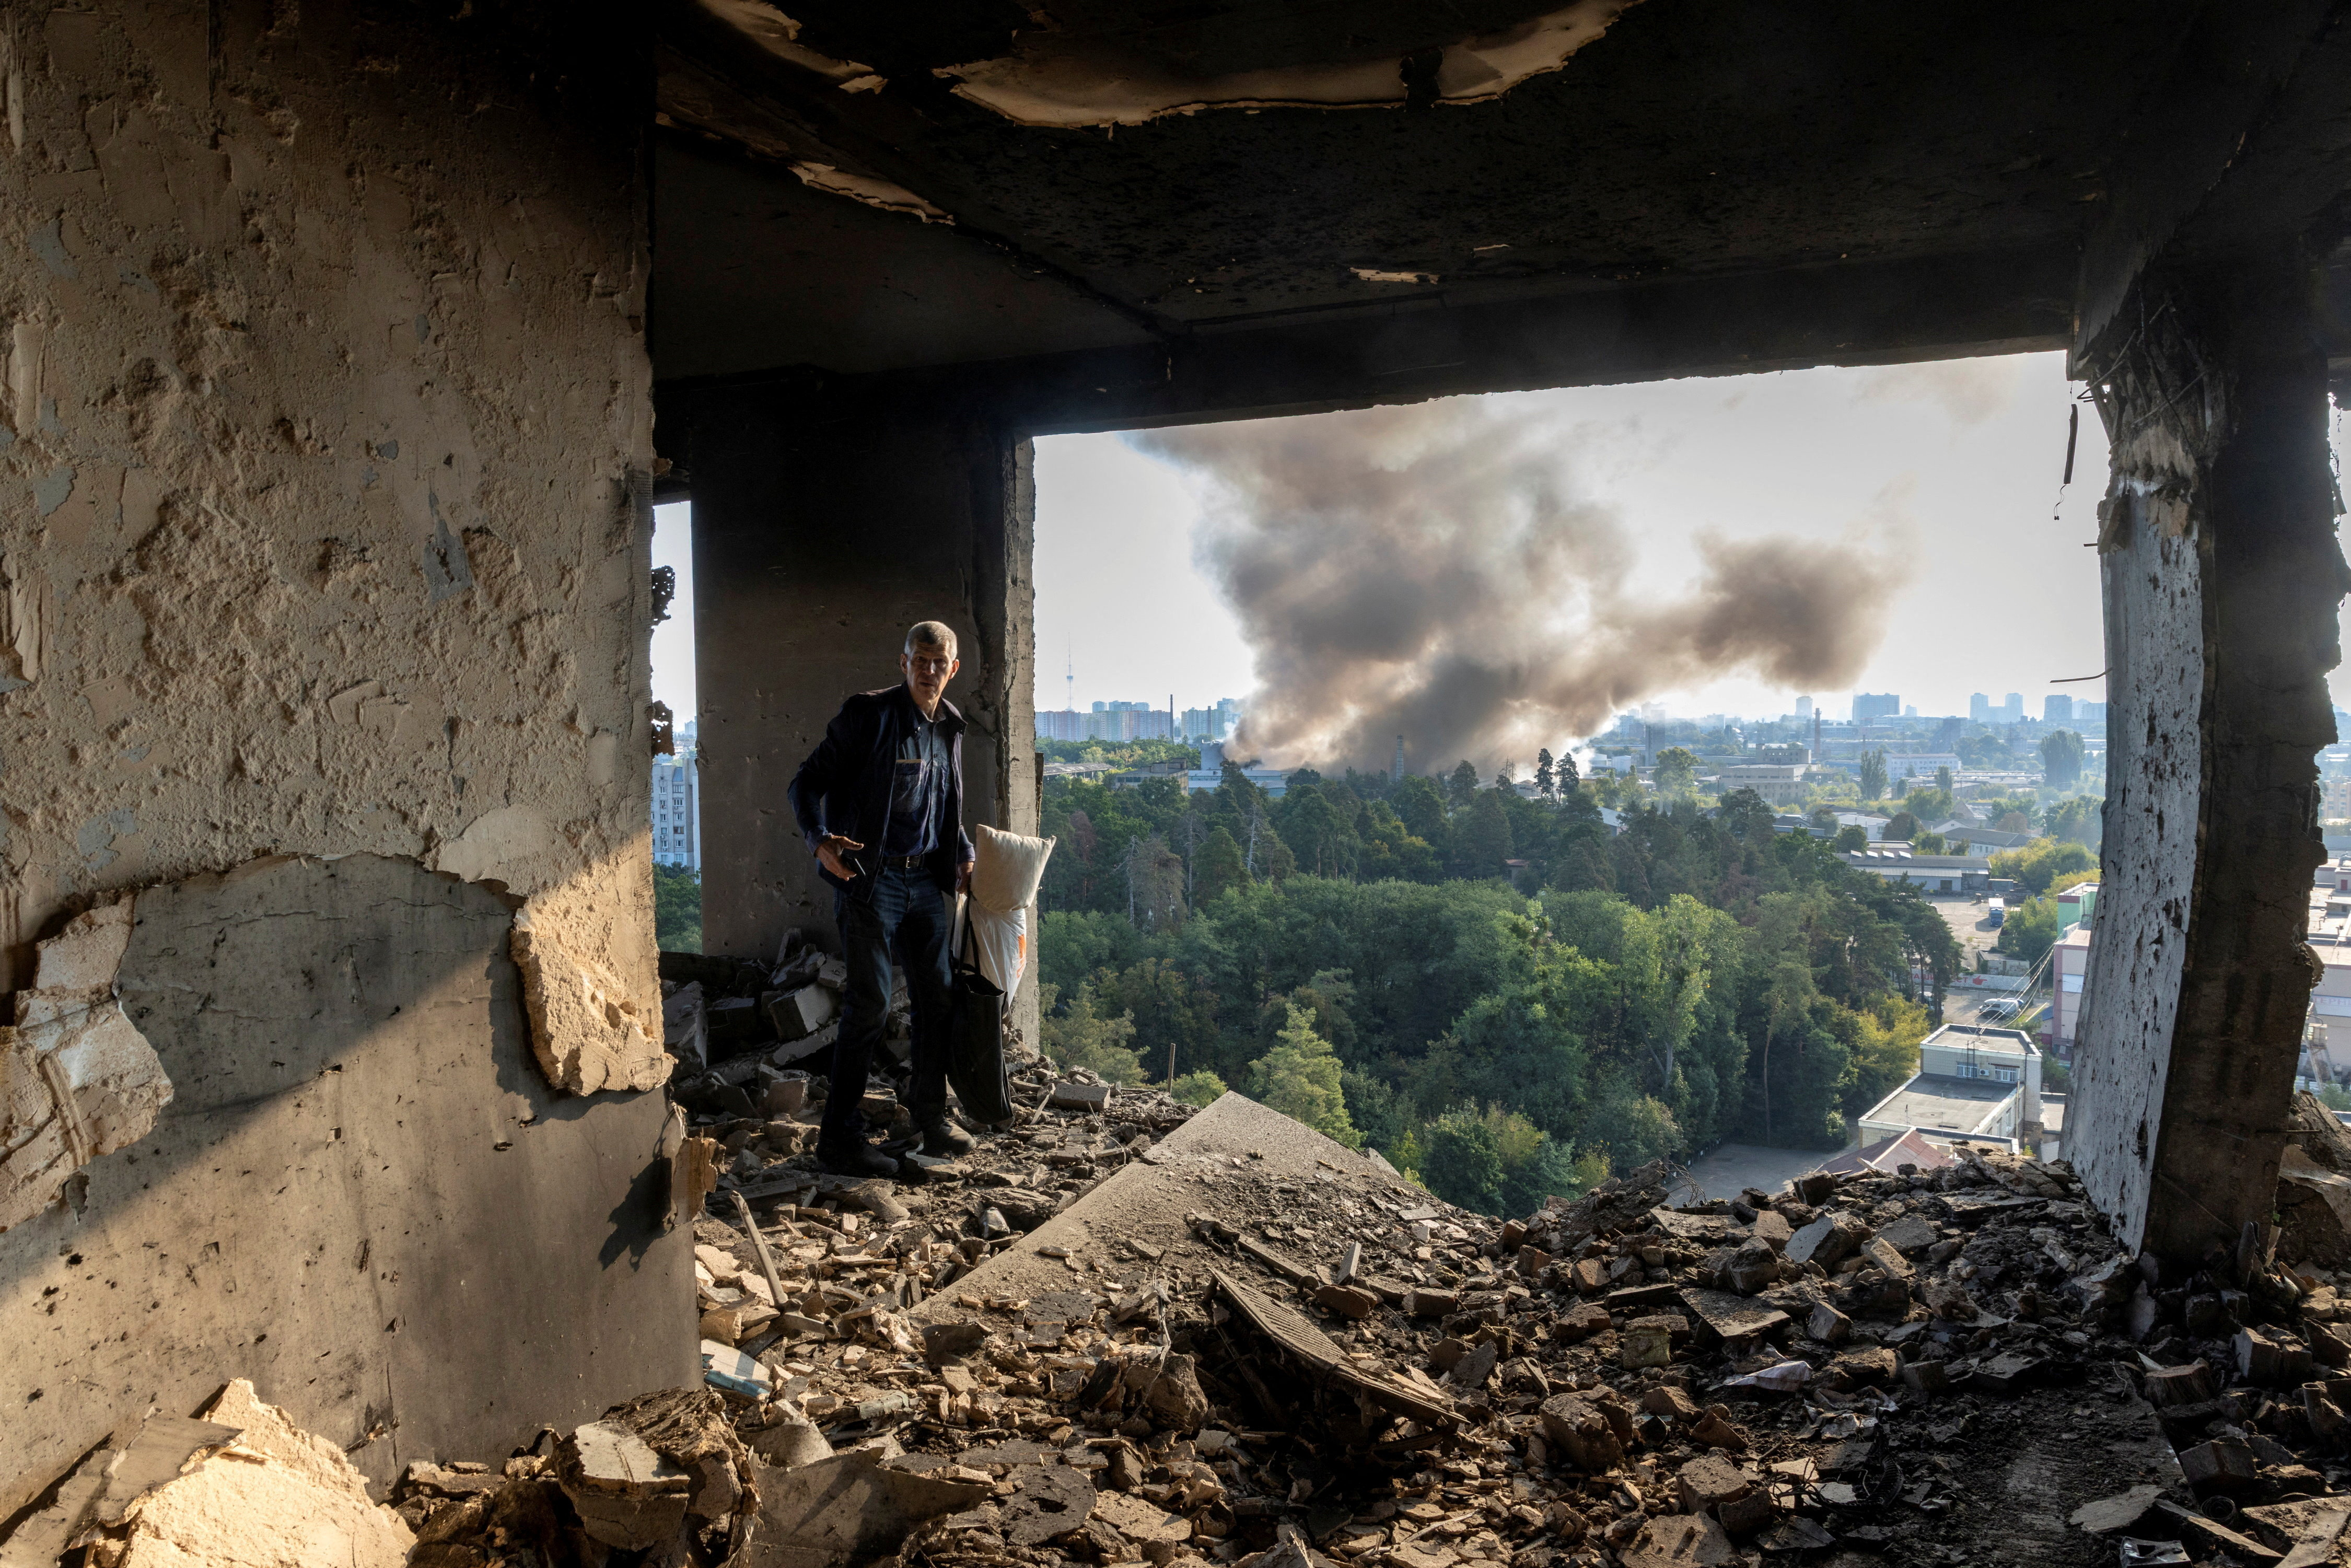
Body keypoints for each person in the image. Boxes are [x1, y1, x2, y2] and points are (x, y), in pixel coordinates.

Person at [787, 621, 980, 1177]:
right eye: (919, 661)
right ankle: (839, 1139)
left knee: (937, 999)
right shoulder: (868, 716)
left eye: (938, 663)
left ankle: (929, 1117)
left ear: (952, 669)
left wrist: (961, 849)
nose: (928, 671)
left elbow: (943, 805)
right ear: (903, 664)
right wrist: (818, 839)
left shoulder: (950, 726)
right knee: (869, 1003)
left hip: (924, 882)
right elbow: (805, 782)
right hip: (870, 880)